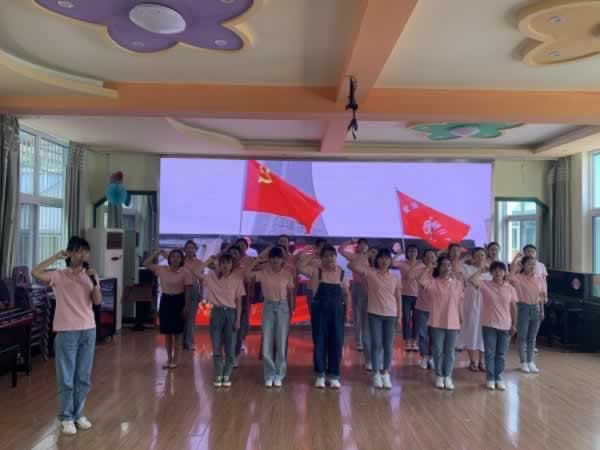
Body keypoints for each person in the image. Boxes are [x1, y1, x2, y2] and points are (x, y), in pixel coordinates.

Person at [32, 237, 102, 436]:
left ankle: (78, 414)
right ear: (70, 253)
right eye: (79, 251)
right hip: (66, 332)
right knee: (66, 378)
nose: (83, 255)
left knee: (83, 377)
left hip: (88, 330)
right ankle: (66, 417)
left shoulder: (89, 276)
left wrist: (95, 282)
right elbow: (35, 272)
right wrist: (56, 256)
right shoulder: (59, 275)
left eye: (85, 252)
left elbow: (97, 302)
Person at [349, 248, 402, 389]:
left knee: (388, 345)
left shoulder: (395, 277)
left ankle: (386, 373)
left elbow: (398, 297)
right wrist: (366, 254)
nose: (384, 261)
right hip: (374, 313)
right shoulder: (370, 273)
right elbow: (351, 265)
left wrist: (400, 315)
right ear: (377, 260)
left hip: (391, 314)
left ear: (390, 261)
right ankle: (376, 373)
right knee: (376, 344)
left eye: (387, 258)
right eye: (381, 258)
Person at [299, 245, 350, 389]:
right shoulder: (316, 271)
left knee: (336, 343)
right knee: (320, 343)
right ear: (321, 258)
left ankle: (334, 376)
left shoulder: (342, 273)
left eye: (332, 256)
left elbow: (347, 294)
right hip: (319, 312)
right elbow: (300, 266)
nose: (329, 259)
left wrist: (347, 313)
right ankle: (320, 375)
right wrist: (313, 254)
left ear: (336, 257)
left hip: (337, 313)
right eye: (325, 256)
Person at [190, 253, 245, 387]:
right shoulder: (211, 278)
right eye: (223, 263)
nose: (225, 266)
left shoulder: (237, 280)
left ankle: (227, 374)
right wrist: (209, 260)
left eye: (228, 263)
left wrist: (238, 319)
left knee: (230, 346)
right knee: (216, 346)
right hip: (216, 313)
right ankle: (219, 373)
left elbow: (239, 302)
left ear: (232, 265)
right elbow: (195, 272)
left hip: (231, 313)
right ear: (219, 265)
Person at [246, 247, 295, 387]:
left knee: (281, 342)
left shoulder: (287, 274)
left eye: (278, 257)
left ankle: (279, 374)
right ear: (269, 259)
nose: (275, 260)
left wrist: (291, 310)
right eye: (273, 257)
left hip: (283, 307)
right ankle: (269, 374)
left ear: (282, 260)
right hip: (268, 306)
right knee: (267, 341)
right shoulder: (263, 273)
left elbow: (290, 293)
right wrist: (258, 259)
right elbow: (246, 274)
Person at [468, 262, 518, 391]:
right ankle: (490, 378)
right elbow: (471, 280)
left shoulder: (510, 288)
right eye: (495, 270)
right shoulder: (485, 284)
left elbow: (513, 307)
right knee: (490, 353)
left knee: (501, 354)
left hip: (505, 325)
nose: (498, 273)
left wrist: (514, 324)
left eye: (501, 270)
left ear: (505, 272)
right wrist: (481, 270)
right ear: (491, 272)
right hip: (489, 324)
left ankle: (498, 377)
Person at [419, 255, 464, 390]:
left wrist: (461, 317)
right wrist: (429, 267)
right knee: (437, 350)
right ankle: (439, 375)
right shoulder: (432, 282)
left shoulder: (457, 283)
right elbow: (420, 281)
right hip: (436, 321)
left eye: (449, 265)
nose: (446, 268)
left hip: (453, 321)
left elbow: (460, 302)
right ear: (438, 267)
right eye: (443, 265)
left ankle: (447, 376)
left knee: (450, 351)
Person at [143, 248, 192, 369]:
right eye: (173, 256)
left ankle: (176, 359)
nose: (175, 259)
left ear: (181, 259)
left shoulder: (185, 272)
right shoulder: (162, 269)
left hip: (179, 301)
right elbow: (146, 263)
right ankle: (169, 358)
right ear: (169, 258)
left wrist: (186, 306)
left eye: (178, 257)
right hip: (166, 301)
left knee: (178, 333)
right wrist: (158, 252)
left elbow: (187, 292)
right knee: (167, 332)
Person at [509, 256, 545, 374]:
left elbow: (541, 296)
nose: (532, 266)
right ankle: (523, 362)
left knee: (532, 337)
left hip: (536, 308)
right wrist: (516, 265)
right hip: (523, 308)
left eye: (534, 264)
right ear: (523, 265)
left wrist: (542, 311)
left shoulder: (538, 278)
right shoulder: (518, 277)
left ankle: (530, 361)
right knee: (522, 337)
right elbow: (508, 278)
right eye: (529, 264)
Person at [339, 238, 371, 366]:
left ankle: (366, 340)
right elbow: (340, 250)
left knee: (366, 315)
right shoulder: (354, 256)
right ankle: (359, 342)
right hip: (357, 287)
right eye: (360, 245)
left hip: (369, 287)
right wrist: (351, 241)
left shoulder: (371, 257)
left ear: (368, 247)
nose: (363, 247)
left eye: (365, 245)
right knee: (357, 315)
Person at [457, 247, 489, 372]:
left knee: (483, 331)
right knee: (471, 329)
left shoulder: (490, 269)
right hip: (471, 302)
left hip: (486, 302)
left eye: (482, 255)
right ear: (473, 257)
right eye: (478, 255)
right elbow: (470, 280)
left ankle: (482, 361)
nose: (480, 257)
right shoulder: (467, 268)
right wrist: (480, 271)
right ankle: (472, 361)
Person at [394, 244, 421, 352]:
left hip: (418, 295)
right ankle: (407, 341)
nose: (412, 253)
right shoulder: (402, 263)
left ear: (417, 253)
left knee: (417, 319)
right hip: (405, 294)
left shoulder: (421, 264)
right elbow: (391, 263)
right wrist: (398, 254)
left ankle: (415, 341)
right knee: (406, 318)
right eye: (410, 251)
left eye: (414, 251)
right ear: (407, 253)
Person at [233, 239, 256, 361]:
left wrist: (250, 294)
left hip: (244, 294)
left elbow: (251, 279)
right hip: (228, 297)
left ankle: (239, 342)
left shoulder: (250, 260)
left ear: (246, 247)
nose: (241, 247)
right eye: (239, 245)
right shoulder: (228, 263)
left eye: (243, 245)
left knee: (242, 320)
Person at [414, 249, 436, 370]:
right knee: (422, 334)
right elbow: (420, 281)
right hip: (421, 307)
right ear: (423, 259)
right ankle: (424, 356)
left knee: (433, 334)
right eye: (427, 257)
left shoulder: (439, 271)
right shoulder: (420, 270)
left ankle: (431, 357)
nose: (430, 259)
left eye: (432, 256)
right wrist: (428, 268)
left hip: (436, 309)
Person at [182, 240, 203, 351]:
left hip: (194, 289)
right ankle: (181, 342)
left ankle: (189, 342)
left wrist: (201, 292)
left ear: (195, 250)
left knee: (191, 318)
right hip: (181, 289)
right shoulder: (181, 261)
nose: (190, 250)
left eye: (192, 248)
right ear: (184, 249)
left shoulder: (199, 262)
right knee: (182, 316)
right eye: (188, 247)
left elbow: (201, 279)